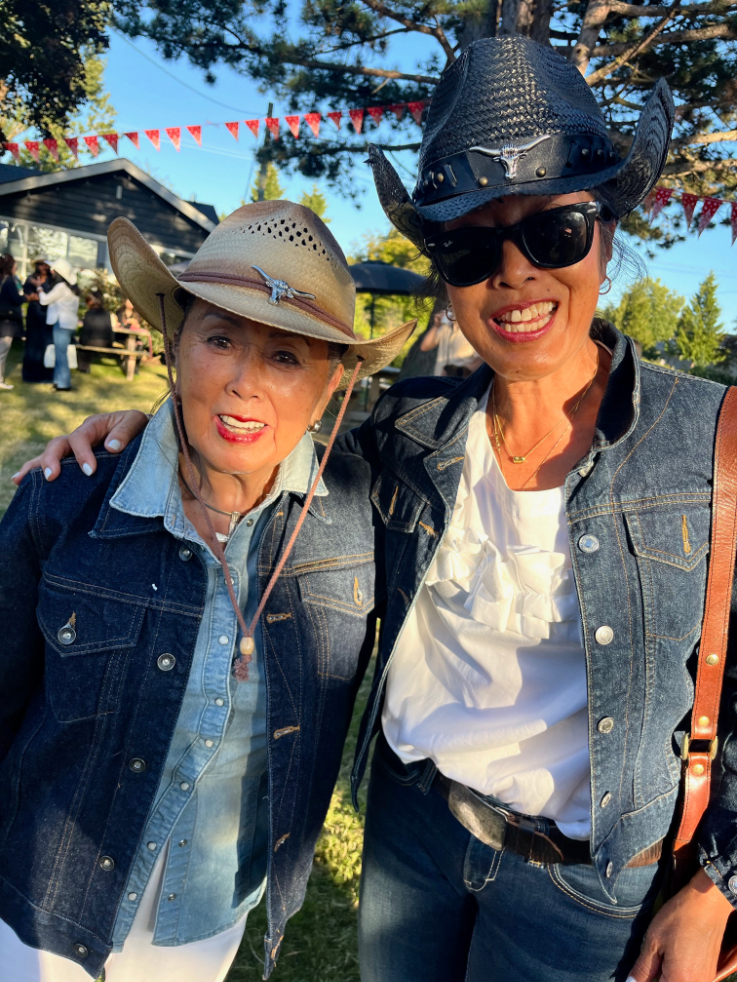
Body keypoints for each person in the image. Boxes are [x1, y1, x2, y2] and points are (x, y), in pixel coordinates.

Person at [17, 37, 737, 982]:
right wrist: (133, 431)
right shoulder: (402, 433)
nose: (514, 274)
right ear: (442, 271)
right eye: (471, 247)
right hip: (410, 836)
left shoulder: (712, 440)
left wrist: (716, 885)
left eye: (553, 233)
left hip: (589, 884)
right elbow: (261, 419)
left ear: (605, 229)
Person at [0, 199, 413, 982]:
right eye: (220, 339)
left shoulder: (362, 525)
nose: (244, 383)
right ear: (175, 345)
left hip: (204, 924)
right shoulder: (66, 498)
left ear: (331, 387)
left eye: (287, 357)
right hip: (35, 907)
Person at [38, 258, 80, 391]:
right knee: (60, 353)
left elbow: (44, 300)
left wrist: (39, 288)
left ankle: (63, 384)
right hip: (69, 325)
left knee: (61, 354)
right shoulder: (72, 289)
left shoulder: (60, 287)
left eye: (53, 270)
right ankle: (58, 381)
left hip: (61, 324)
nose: (51, 272)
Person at [0, 253, 34, 390]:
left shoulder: (4, 280)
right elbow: (17, 298)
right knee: (2, 350)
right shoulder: (9, 281)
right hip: (7, 321)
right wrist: (29, 298)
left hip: (3, 319)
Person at [420, 307, 481, 377]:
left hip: (461, 383)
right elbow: (425, 347)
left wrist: (458, 373)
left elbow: (482, 362)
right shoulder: (446, 326)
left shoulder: (475, 331)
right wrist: (436, 325)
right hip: (440, 381)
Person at [22, 259, 54, 383]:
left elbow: (49, 297)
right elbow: (27, 295)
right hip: (34, 316)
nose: (44, 267)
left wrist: (39, 293)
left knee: (45, 344)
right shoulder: (31, 278)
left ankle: (45, 375)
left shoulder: (52, 280)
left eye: (46, 265)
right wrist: (35, 296)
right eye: (41, 264)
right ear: (37, 266)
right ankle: (30, 375)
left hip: (47, 315)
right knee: (32, 344)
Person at [77, 289, 116, 373]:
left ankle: (84, 367)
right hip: (106, 343)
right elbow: (110, 329)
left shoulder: (89, 314)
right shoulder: (106, 313)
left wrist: (81, 341)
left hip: (92, 342)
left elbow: (86, 331)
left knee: (82, 346)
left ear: (91, 302)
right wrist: (111, 343)